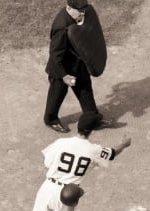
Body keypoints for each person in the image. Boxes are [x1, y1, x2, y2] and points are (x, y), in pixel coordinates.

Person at [23, 113, 132, 211]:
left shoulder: (62, 142)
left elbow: (47, 163)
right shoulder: (94, 150)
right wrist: (124, 144)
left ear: (78, 126)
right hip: (68, 194)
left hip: (48, 188)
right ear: (92, 131)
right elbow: (112, 154)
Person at [44, 0, 108, 133]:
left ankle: (92, 118)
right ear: (69, 8)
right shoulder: (61, 27)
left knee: (85, 90)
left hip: (78, 63)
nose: (82, 14)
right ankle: (50, 119)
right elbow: (55, 55)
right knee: (57, 94)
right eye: (79, 11)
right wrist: (64, 76)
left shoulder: (79, 14)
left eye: (83, 10)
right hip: (61, 67)